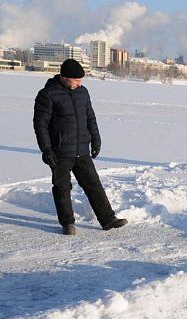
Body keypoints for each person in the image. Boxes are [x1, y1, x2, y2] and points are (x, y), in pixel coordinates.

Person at [33, 58, 127, 235]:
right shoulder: (47, 94)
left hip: (82, 149)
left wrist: (96, 139)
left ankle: (108, 219)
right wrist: (46, 149)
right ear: (64, 77)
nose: (79, 84)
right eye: (76, 80)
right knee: (62, 187)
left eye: (81, 80)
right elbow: (40, 125)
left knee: (94, 184)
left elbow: (90, 118)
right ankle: (67, 223)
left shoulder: (83, 92)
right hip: (60, 151)